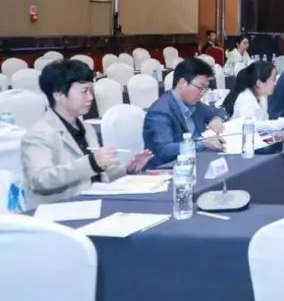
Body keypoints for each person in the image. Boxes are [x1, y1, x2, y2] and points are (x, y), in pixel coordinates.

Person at [21, 60, 152, 208]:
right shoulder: (40, 134)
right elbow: (40, 181)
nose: (90, 97)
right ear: (58, 94)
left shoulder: (86, 128)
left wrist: (127, 169)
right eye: (84, 91)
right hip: (62, 209)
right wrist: (91, 162)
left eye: (91, 91)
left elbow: (101, 173)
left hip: (95, 203)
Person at [143, 58, 228, 167]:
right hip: (168, 169)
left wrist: (217, 119)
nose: (202, 93)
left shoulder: (195, 104)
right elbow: (163, 151)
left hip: (197, 163)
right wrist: (202, 144)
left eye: (205, 89)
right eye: (200, 88)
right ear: (182, 83)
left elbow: (219, 111)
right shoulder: (160, 112)